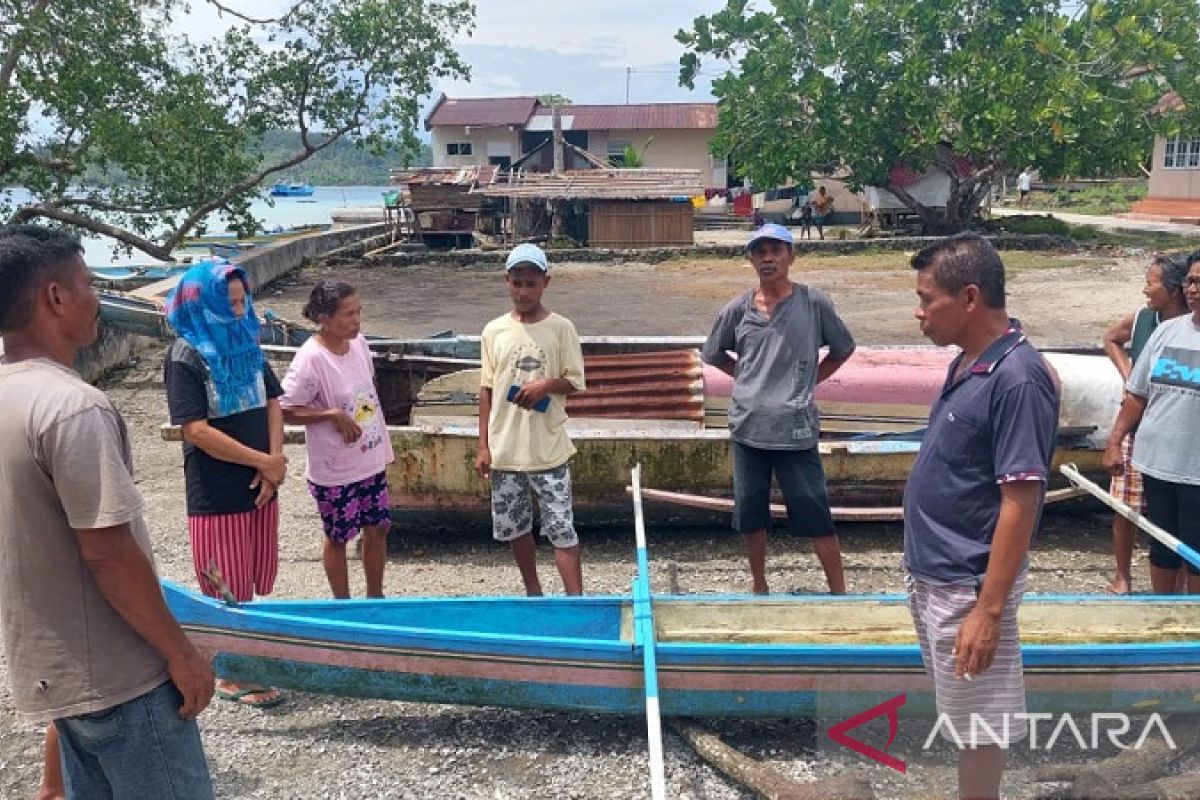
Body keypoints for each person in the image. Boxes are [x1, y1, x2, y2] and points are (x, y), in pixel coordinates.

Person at [0, 224, 215, 798]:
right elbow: (107, 551)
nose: (98, 298)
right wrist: (181, 653)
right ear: (55, 297)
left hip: (54, 672)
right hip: (122, 679)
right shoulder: (72, 408)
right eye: (90, 283)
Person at [904, 234, 1059, 800]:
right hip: (937, 575)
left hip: (970, 584)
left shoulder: (1017, 378)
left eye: (927, 300)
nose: (918, 314)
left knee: (980, 725)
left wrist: (988, 612)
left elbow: (1021, 499)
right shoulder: (970, 362)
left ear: (969, 298)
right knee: (965, 716)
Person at [701, 223, 856, 595]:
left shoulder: (813, 304)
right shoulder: (737, 309)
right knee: (751, 515)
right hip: (749, 427)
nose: (768, 258)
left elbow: (842, 349)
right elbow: (712, 353)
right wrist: (747, 376)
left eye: (776, 250)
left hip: (796, 430)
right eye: (760, 251)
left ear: (791, 256)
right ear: (751, 259)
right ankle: (759, 585)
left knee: (815, 512)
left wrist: (808, 381)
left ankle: (839, 591)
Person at [164, 259, 287, 708]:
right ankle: (230, 671)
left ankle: (243, 657)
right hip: (215, 488)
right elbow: (194, 429)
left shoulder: (246, 339)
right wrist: (263, 461)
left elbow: (274, 401)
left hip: (260, 479)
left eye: (242, 301)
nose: (238, 311)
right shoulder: (186, 354)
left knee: (250, 575)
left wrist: (274, 462)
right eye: (229, 303)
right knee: (223, 582)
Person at [475, 243, 586, 596]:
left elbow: (576, 382)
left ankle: (575, 600)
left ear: (545, 283)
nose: (523, 291)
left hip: (548, 449)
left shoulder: (561, 328)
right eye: (517, 282)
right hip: (506, 449)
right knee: (516, 528)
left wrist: (546, 385)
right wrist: (483, 446)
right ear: (507, 281)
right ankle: (533, 591)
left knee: (561, 528)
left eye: (531, 283)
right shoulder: (493, 331)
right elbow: (487, 391)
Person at [280, 280, 395, 599]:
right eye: (348, 314)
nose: (357, 321)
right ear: (324, 318)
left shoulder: (359, 344)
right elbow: (284, 408)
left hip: (369, 458)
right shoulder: (310, 360)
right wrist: (330, 415)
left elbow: (365, 388)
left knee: (379, 527)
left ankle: (376, 596)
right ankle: (342, 603)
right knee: (339, 535)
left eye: (359, 312)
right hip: (335, 468)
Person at [1103, 253, 1200, 594]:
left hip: (1197, 473)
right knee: (1162, 548)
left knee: (1196, 553)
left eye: (1199, 283)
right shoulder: (1165, 332)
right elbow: (1137, 395)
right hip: (1157, 464)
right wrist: (1114, 441)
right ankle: (1164, 615)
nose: (1193, 289)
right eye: (1190, 281)